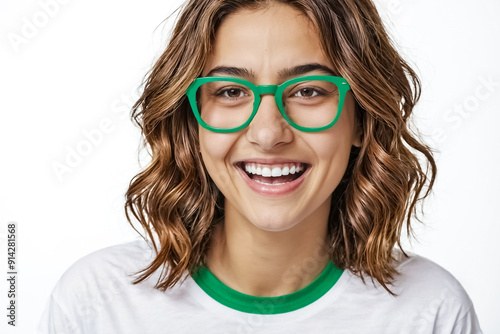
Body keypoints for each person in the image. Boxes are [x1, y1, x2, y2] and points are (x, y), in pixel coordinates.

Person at [38, 0, 482, 333]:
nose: (268, 134)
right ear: (192, 122)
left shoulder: (431, 311)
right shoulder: (96, 303)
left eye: (308, 91)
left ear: (362, 118)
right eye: (230, 91)